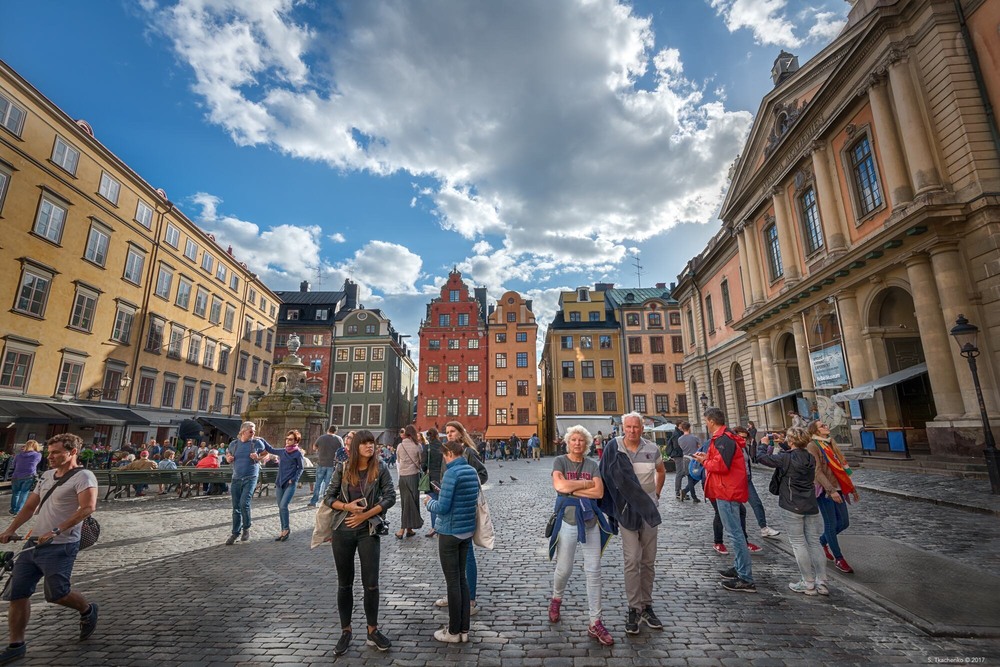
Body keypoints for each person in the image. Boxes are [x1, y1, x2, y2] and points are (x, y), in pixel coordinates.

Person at [0, 434, 99, 664]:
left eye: (56, 453)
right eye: (49, 452)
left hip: (61, 545)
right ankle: (16, 644)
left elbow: (87, 508)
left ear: (72, 452)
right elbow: (29, 506)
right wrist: (10, 529)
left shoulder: (84, 477)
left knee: (57, 593)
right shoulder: (45, 476)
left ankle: (87, 609)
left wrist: (56, 530)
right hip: (33, 543)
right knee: (18, 592)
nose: (50, 457)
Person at [324, 430, 395, 655]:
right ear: (355, 447)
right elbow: (329, 497)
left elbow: (390, 496)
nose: (369, 447)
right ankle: (346, 631)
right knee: (345, 583)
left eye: (371, 443)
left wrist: (365, 514)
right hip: (343, 530)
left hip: (368, 530)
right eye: (364, 444)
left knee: (371, 583)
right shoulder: (343, 468)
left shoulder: (380, 468)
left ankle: (372, 630)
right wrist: (348, 507)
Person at [548, 425, 615, 646]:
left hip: (590, 521)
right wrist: (585, 485)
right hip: (567, 521)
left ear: (586, 444)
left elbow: (599, 492)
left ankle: (595, 621)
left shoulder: (592, 465)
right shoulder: (560, 461)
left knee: (594, 570)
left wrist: (573, 489)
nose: (577, 443)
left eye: (581, 440)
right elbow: (559, 485)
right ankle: (557, 598)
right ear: (568, 442)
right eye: (574, 440)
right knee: (564, 568)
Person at [598, 412, 664, 635]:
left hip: (648, 510)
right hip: (627, 512)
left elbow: (661, 470)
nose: (632, 430)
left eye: (636, 427)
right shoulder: (614, 448)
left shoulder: (652, 448)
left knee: (648, 561)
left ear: (642, 428)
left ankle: (647, 606)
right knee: (631, 559)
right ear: (622, 427)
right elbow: (604, 476)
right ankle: (633, 608)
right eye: (629, 427)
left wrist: (656, 493)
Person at [757, 427, 829, 595]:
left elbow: (761, 458)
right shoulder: (810, 457)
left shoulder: (785, 458)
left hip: (791, 504)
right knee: (814, 542)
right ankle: (822, 582)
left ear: (791, 441)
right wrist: (783, 443)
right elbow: (792, 453)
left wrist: (763, 444)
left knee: (798, 543)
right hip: (810, 504)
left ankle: (808, 582)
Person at [424, 437, 480, 643]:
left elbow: (443, 508)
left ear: (449, 454)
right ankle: (464, 629)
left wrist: (429, 502)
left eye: (444, 457)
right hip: (466, 532)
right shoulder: (471, 471)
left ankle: (453, 631)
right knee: (462, 581)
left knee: (452, 583)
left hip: (449, 532)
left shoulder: (451, 473)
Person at [694, 407, 755, 593]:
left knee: (735, 534)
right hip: (727, 488)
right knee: (735, 532)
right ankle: (739, 567)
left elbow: (721, 465)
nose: (706, 423)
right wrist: (707, 457)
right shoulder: (725, 436)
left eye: (706, 420)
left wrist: (704, 461)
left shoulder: (723, 439)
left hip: (726, 490)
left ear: (711, 421)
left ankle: (745, 577)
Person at [432, 421, 487, 618]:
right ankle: (453, 595)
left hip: (462, 510)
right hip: (447, 509)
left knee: (467, 556)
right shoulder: (447, 451)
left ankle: (470, 599)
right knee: (452, 561)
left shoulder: (468, 453)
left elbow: (483, 474)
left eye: (452, 431)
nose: (449, 435)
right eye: (447, 432)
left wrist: (465, 487)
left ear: (460, 433)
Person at [808, 420, 858, 574]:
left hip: (839, 487)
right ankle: (839, 558)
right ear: (815, 431)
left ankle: (822, 541)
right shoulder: (813, 445)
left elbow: (841, 467)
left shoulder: (830, 443)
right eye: (822, 426)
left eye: (825, 425)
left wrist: (850, 488)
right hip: (824, 490)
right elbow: (817, 471)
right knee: (831, 523)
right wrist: (831, 490)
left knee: (844, 522)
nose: (826, 427)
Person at [732, 426, 780, 540]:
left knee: (756, 503)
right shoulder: (731, 447)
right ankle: (737, 534)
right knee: (735, 508)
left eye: (745, 437)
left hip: (747, 480)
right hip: (735, 481)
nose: (743, 440)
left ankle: (764, 528)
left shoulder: (744, 447)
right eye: (741, 437)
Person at [223, 422, 268, 545]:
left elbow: (266, 455)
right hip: (236, 478)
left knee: (244, 503)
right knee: (236, 507)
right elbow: (228, 455)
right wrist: (228, 459)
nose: (253, 433)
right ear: (243, 431)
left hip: (251, 477)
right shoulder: (234, 444)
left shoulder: (257, 443)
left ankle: (246, 527)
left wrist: (257, 457)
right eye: (251, 431)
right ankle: (235, 532)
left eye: (254, 431)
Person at [260, 430, 306, 541]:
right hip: (280, 483)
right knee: (280, 507)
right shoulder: (283, 451)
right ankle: (283, 530)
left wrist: (294, 479)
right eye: (287, 438)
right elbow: (270, 449)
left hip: (290, 484)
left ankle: (286, 529)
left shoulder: (297, 453)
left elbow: (301, 468)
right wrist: (261, 439)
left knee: (284, 506)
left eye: (290, 439)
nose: (287, 441)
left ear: (296, 441)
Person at [395, 425, 424, 539]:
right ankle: (402, 529)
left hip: (402, 477)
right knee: (412, 501)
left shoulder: (400, 445)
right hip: (413, 476)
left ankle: (409, 529)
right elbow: (421, 461)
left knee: (405, 502)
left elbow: (398, 460)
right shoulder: (418, 446)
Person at [309, 425, 343, 508]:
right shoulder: (338, 439)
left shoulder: (321, 438)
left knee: (318, 483)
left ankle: (313, 502)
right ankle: (325, 501)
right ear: (336, 431)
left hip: (321, 463)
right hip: (331, 464)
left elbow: (314, 447)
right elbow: (342, 450)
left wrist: (320, 450)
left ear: (328, 430)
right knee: (328, 484)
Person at [9, 441, 42, 516]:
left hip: (16, 475)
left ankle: (13, 509)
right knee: (24, 493)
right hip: (29, 476)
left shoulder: (18, 456)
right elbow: (37, 462)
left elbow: (13, 465)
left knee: (15, 493)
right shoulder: (37, 455)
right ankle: (18, 510)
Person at [424, 428, 444, 538]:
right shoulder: (443, 447)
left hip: (431, 478)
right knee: (443, 502)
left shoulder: (427, 448)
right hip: (442, 477)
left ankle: (434, 527)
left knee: (433, 502)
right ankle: (442, 526)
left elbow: (423, 465)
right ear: (437, 435)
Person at [676, 423, 702, 502]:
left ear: (682, 429)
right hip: (695, 458)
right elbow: (700, 447)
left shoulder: (680, 439)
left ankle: (685, 491)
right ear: (689, 428)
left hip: (686, 458)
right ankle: (693, 496)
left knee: (690, 478)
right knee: (698, 476)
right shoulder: (694, 438)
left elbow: (681, 447)